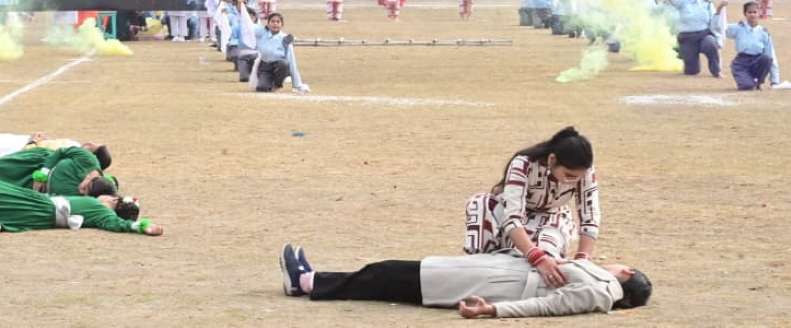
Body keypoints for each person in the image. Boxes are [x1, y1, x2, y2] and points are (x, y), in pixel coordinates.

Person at [277, 244, 651, 318]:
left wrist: (494, 311)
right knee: (387, 275)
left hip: (486, 286)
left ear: (628, 274)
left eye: (622, 264)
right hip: (488, 272)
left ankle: (307, 283)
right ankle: (313, 279)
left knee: (386, 274)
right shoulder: (597, 280)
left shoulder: (601, 290)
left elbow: (548, 305)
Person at [463, 127, 600, 284]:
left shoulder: (585, 171)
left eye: (578, 178)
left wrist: (583, 260)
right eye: (569, 176)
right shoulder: (523, 164)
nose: (574, 181)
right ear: (552, 160)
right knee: (480, 203)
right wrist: (537, 258)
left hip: (553, 217)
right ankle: (478, 269)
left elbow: (590, 217)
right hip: (510, 217)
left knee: (549, 265)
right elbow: (512, 218)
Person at [0, 174, 162, 237]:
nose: (106, 196)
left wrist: (143, 227)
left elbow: (119, 225)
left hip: (37, 209)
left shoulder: (103, 212)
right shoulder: (99, 205)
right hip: (36, 201)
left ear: (114, 202)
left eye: (112, 197)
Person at [237, 0, 309, 94]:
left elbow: (291, 61)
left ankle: (278, 85)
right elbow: (248, 25)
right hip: (264, 65)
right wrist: (241, 7)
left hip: (279, 67)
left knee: (284, 63)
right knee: (262, 88)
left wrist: (297, 84)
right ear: (268, 23)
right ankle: (267, 81)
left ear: (282, 24)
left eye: (278, 22)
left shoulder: (285, 39)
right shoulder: (261, 32)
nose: (275, 24)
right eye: (273, 21)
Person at [668, 0, 725, 78]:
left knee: (710, 43)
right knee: (692, 71)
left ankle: (716, 71)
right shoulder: (682, 0)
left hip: (704, 35)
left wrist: (719, 10)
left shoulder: (707, 3)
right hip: (687, 38)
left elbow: (713, 23)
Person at [724, 1, 785, 90]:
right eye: (749, 12)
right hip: (741, 63)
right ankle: (749, 81)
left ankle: (760, 82)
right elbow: (721, 28)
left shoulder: (764, 33)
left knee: (766, 58)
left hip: (757, 61)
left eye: (755, 12)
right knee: (747, 86)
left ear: (758, 13)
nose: (752, 15)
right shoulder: (738, 27)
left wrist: (774, 80)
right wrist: (720, 10)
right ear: (745, 14)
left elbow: (771, 55)